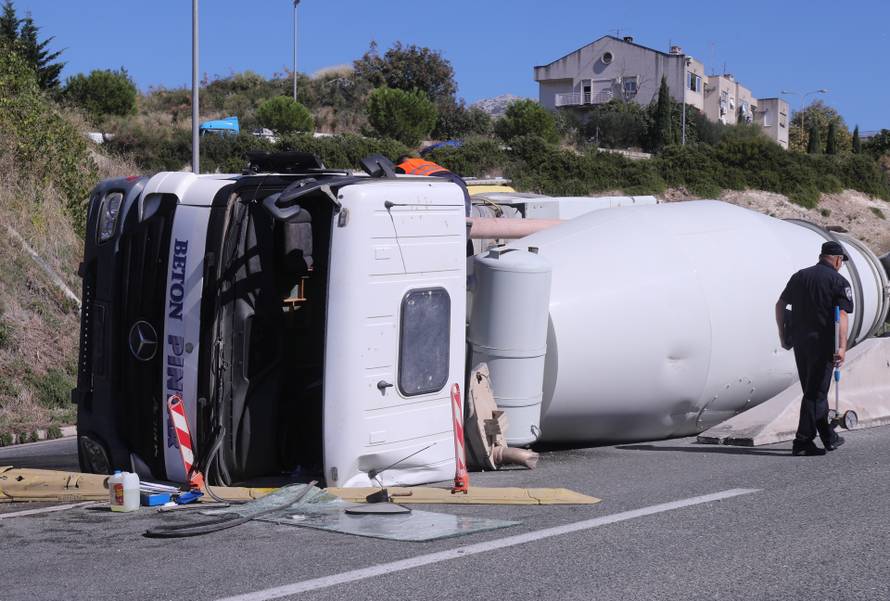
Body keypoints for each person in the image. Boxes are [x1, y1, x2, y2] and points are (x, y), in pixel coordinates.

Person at [775, 240, 854, 456]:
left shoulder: (800, 276)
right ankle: (802, 442)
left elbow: (780, 305)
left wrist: (783, 336)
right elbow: (843, 316)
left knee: (814, 391)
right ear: (838, 260)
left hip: (801, 343)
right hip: (823, 344)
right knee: (815, 393)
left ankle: (829, 437)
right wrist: (842, 347)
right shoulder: (838, 281)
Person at [395, 154, 471, 217]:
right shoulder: (425, 162)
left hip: (437, 182)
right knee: (464, 213)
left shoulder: (402, 166)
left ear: (400, 162)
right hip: (456, 180)